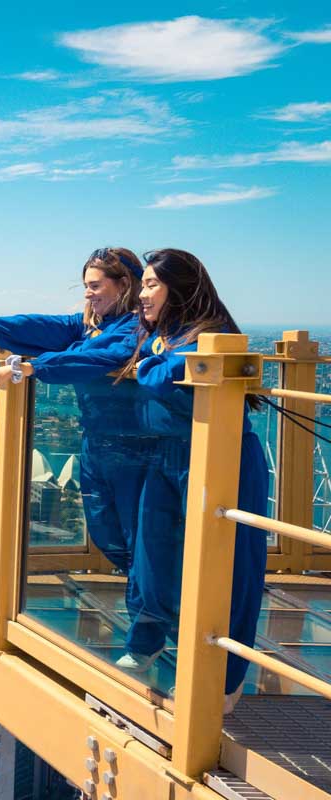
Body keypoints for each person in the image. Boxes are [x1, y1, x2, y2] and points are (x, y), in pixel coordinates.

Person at [116, 248, 267, 709]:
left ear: (177, 288)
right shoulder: (163, 334)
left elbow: (163, 377)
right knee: (151, 557)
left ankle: (224, 678)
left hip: (221, 456)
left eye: (150, 285)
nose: (141, 294)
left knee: (227, 569)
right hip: (167, 455)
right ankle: (149, 643)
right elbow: (155, 369)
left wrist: (148, 365)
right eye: (142, 284)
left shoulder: (213, 335)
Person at [0, 247, 144, 572]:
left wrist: (27, 368)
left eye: (95, 286)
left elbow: (96, 358)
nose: (88, 295)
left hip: (133, 451)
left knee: (136, 542)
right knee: (109, 533)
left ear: (122, 285)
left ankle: (153, 612)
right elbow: (44, 328)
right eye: (86, 287)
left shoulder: (134, 329)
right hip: (98, 444)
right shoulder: (94, 326)